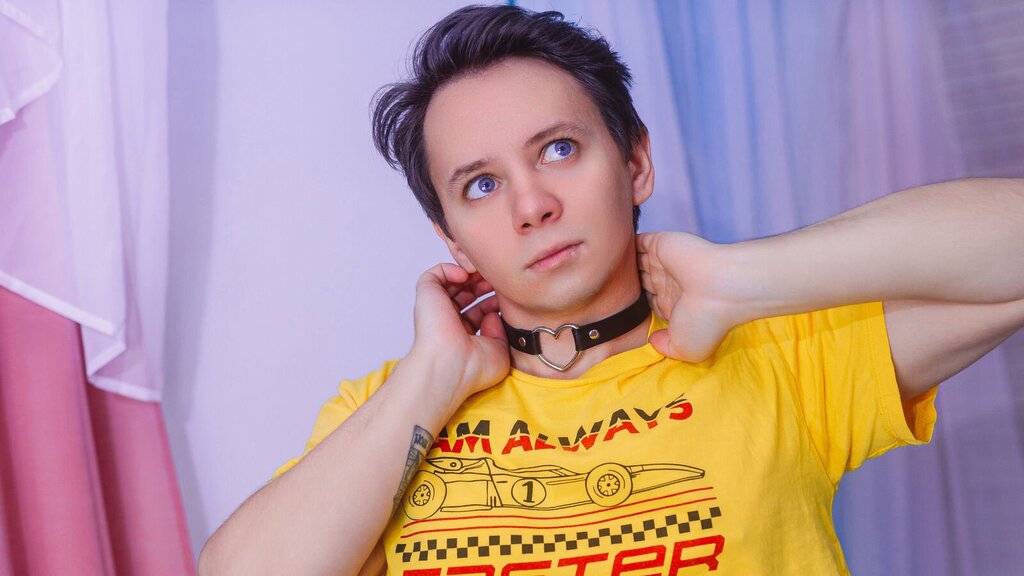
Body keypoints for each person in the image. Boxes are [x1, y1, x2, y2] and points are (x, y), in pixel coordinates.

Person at [198, 5, 1024, 575]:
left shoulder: (778, 354)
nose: (531, 205)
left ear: (635, 163)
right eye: (481, 185)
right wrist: (432, 377)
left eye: (557, 149)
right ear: (451, 238)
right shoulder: (391, 411)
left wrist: (741, 279)